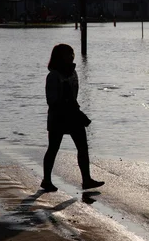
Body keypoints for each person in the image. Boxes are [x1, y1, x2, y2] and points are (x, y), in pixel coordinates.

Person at [41, 44, 104, 192]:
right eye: (68, 54)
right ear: (59, 57)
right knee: (53, 148)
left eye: (72, 54)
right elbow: (51, 100)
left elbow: (74, 94)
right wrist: (66, 105)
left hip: (73, 114)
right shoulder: (53, 76)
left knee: (83, 147)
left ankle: (86, 179)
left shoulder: (73, 73)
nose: (71, 56)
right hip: (58, 115)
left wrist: (75, 110)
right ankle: (46, 180)